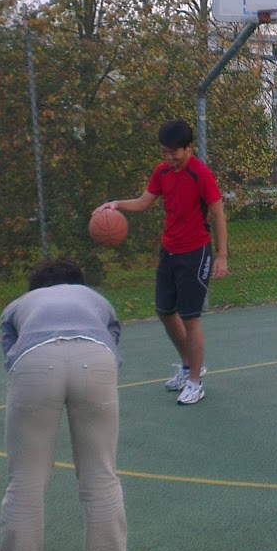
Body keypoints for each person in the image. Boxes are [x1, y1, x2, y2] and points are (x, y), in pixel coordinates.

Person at [0, 258, 128, 551]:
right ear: (78, 283)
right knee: (100, 476)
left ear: (35, 288)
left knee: (26, 482)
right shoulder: (95, 298)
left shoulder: (18, 305)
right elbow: (113, 337)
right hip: (96, 359)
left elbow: (10, 354)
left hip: (34, 361)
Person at [95, 119, 228, 406]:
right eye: (164, 152)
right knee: (165, 311)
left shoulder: (201, 175)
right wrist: (116, 204)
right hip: (169, 251)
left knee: (191, 319)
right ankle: (187, 367)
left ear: (188, 148)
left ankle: (196, 382)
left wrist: (222, 256)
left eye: (173, 152)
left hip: (195, 253)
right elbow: (144, 202)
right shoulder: (163, 171)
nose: (168, 157)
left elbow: (218, 214)